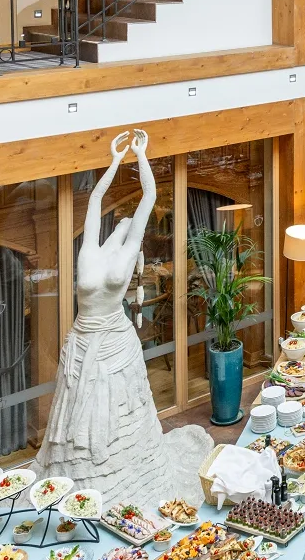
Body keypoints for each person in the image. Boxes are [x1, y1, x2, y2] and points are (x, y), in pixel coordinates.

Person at [36, 130, 211, 507]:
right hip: (84, 339)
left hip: (115, 339)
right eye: (121, 223)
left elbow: (150, 196)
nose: (125, 226)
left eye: (128, 225)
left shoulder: (130, 249)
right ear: (113, 226)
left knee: (119, 416)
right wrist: (116, 160)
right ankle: (77, 483)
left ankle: (123, 476)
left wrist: (142, 155)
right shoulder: (89, 249)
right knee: (80, 416)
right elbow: (95, 198)